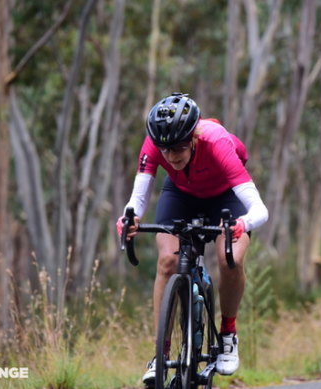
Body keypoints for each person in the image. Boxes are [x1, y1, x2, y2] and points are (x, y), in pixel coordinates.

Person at [117, 93, 268, 385]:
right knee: (167, 261)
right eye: (166, 149)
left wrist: (241, 224)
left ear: (194, 138)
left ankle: (227, 334)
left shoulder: (216, 142)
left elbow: (260, 210)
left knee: (230, 259)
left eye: (180, 147)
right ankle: (159, 355)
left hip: (224, 196)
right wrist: (129, 218)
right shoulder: (154, 143)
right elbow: (138, 198)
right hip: (181, 195)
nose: (172, 155)